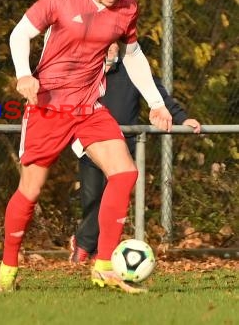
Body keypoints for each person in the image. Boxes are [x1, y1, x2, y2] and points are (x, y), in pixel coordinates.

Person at [0, 0, 173, 294]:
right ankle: (8, 269)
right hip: (48, 107)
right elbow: (20, 34)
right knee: (30, 191)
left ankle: (104, 265)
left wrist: (155, 102)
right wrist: (23, 75)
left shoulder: (127, 8)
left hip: (89, 107)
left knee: (125, 173)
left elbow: (134, 57)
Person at [69, 43, 201, 262]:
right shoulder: (87, 68)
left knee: (113, 201)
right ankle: (87, 245)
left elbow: (158, 95)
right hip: (91, 147)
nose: (109, 50)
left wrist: (182, 118)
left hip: (122, 149)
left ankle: (88, 250)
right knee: (92, 202)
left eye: (113, 45)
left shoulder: (132, 67)